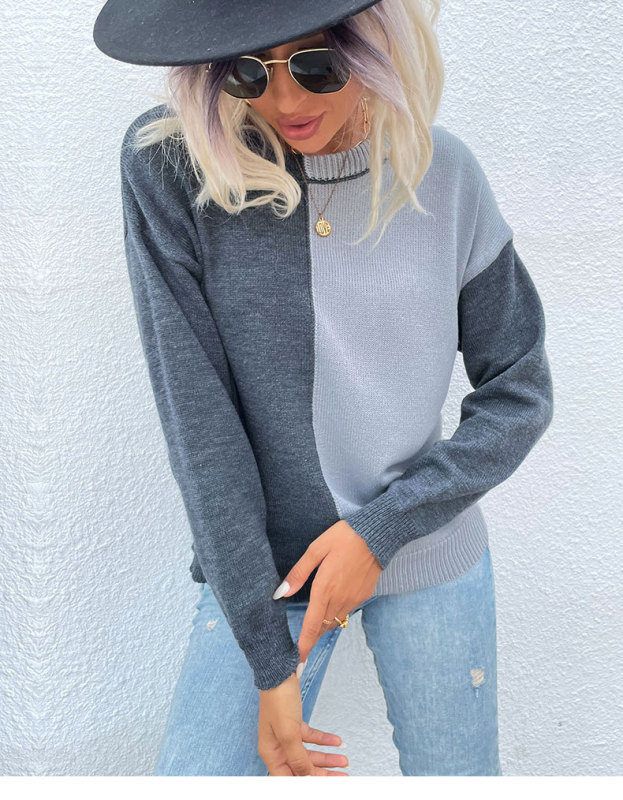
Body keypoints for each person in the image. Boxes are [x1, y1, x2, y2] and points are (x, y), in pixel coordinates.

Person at [93, 0, 554, 776]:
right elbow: (201, 430)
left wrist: (377, 532)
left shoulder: (444, 176)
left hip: (425, 547)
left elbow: (520, 389)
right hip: (269, 575)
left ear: (373, 48)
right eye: (248, 72)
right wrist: (267, 659)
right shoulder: (176, 172)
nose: (284, 100)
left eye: (316, 65)